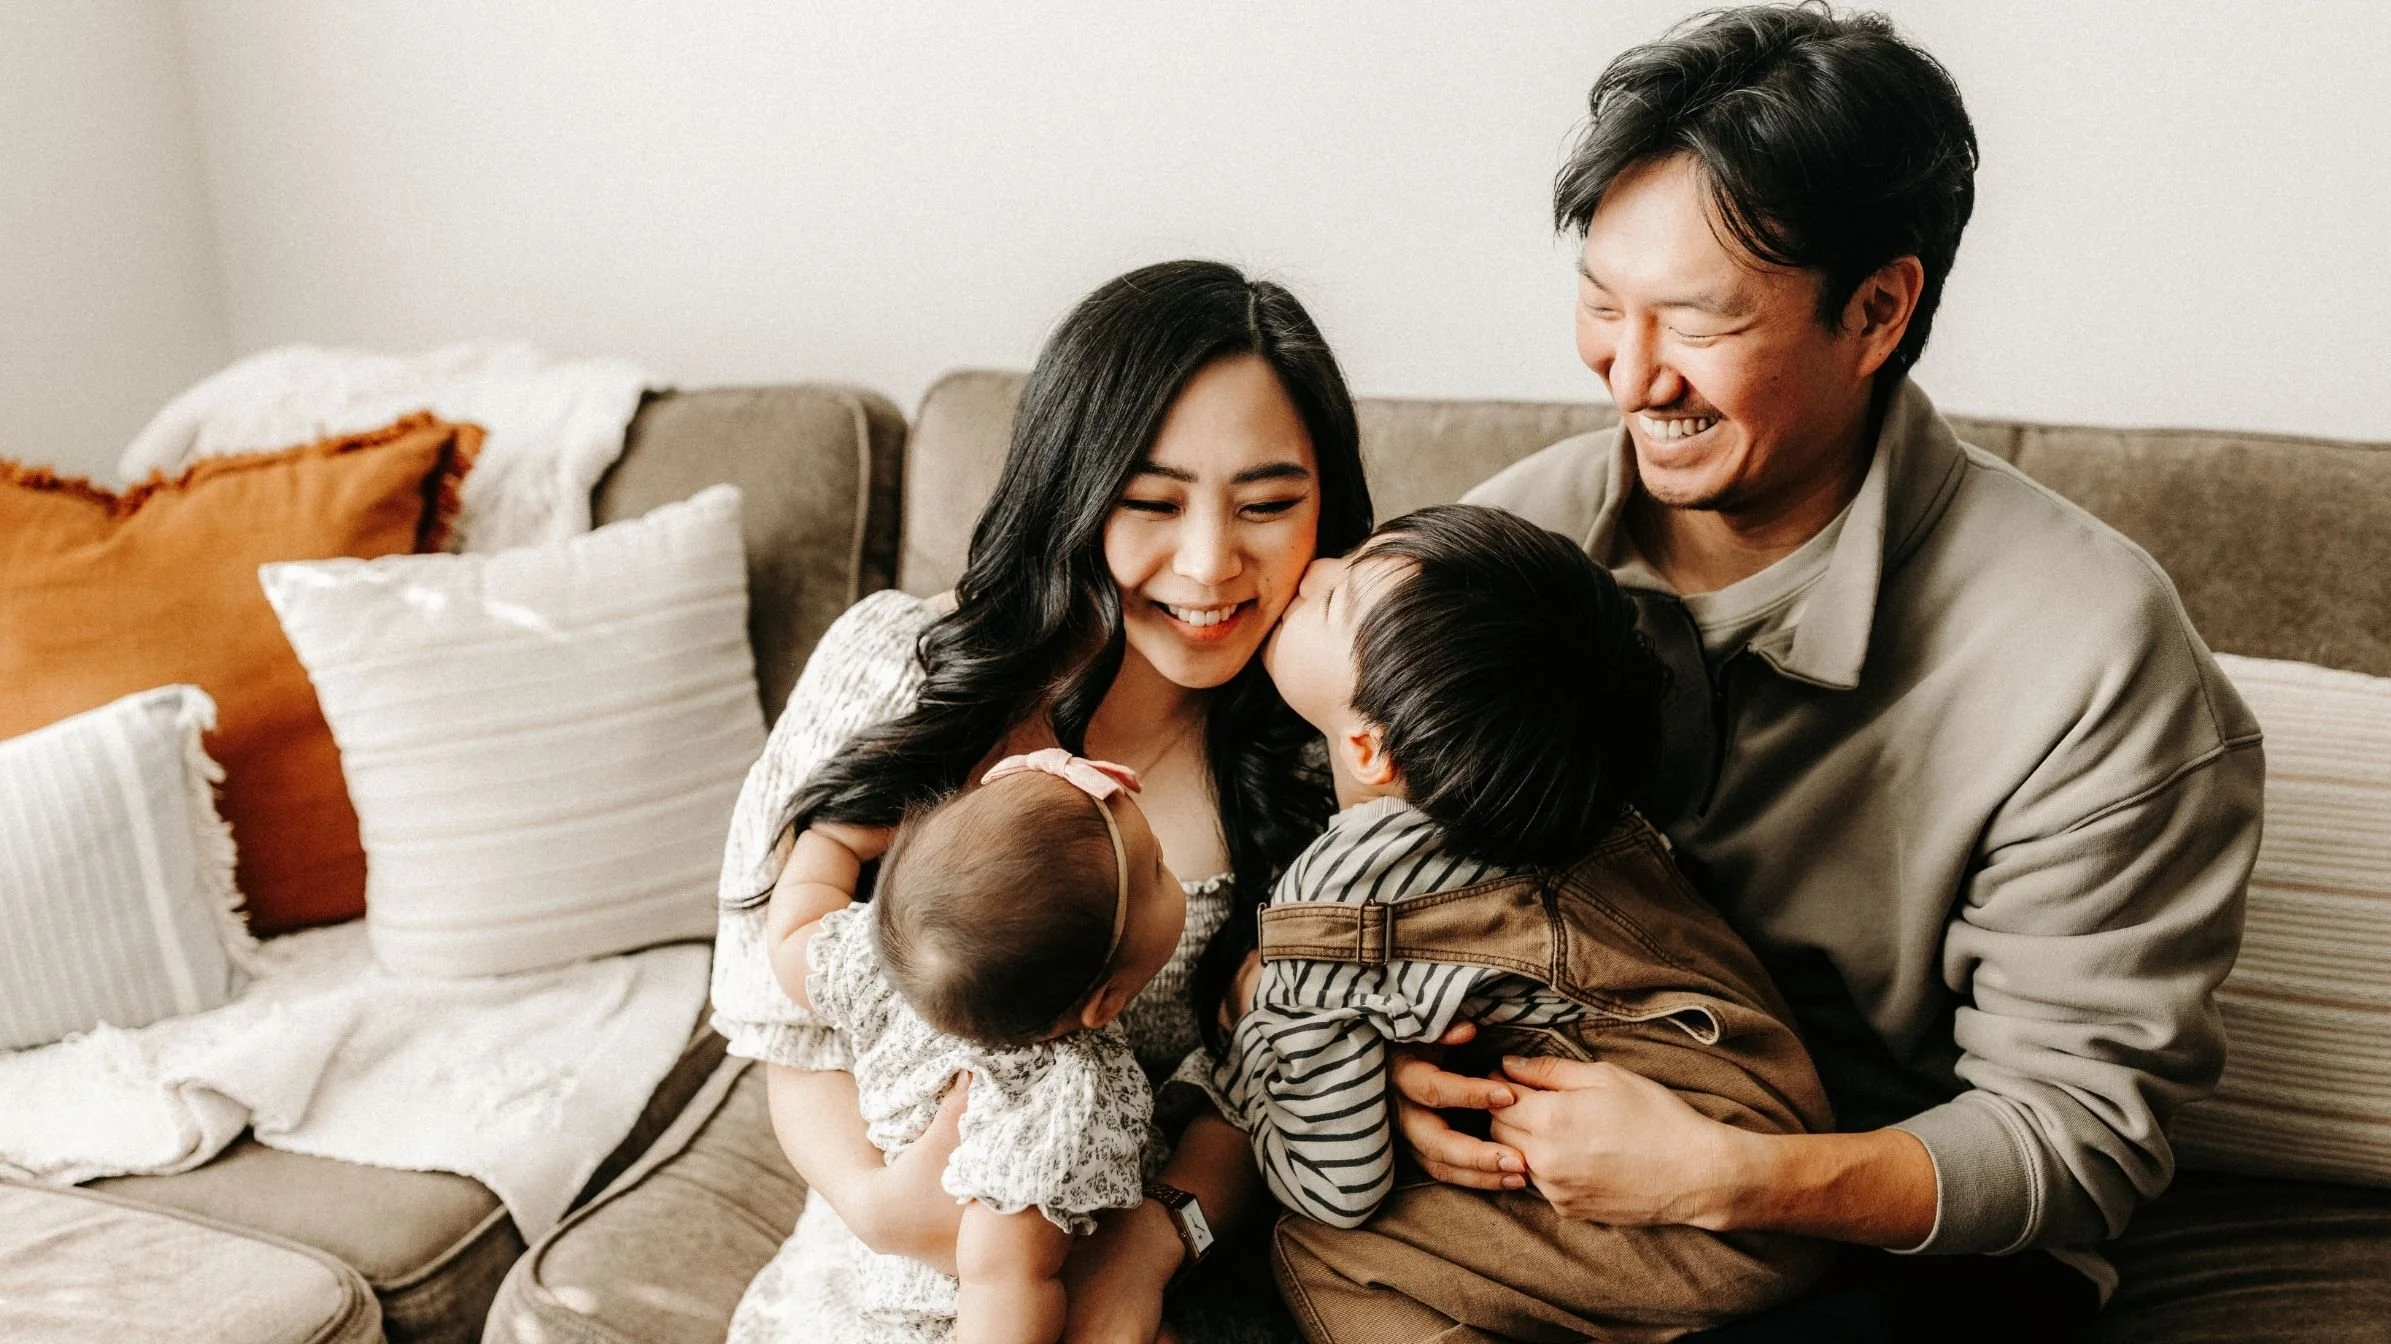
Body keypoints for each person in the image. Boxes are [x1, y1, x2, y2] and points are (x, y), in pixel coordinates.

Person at [1396, 6, 2263, 1339]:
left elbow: (2074, 1134)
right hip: (1529, 1217)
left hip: (1900, 1260)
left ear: (1874, 310)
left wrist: (1723, 1179)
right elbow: (1310, 878)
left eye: (1693, 320)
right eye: (1597, 304)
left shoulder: (2089, 651)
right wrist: (1382, 1072)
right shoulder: (1499, 552)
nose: (1630, 375)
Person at [709, 257, 1373, 1344]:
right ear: (1072, 489)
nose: (1209, 565)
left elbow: (1285, 1070)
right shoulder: (901, 669)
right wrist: (884, 1211)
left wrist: (1149, 1249)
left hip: (1148, 1264)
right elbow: (785, 1012)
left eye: (1267, 504)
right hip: (871, 1264)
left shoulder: (1329, 743)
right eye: (1152, 502)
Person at [1215, 503, 1835, 1341]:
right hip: (1791, 1165)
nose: (1309, 571)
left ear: (1370, 749)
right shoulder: (1585, 805)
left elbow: (1333, 1179)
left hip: (1700, 1220)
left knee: (1320, 1240)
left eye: (1330, 599)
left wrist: (1255, 1029)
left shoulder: (1337, 899)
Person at [764, 750, 1190, 1343]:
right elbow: (1004, 1273)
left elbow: (790, 940)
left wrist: (827, 847)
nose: (1169, 866)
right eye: (1159, 869)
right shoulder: (1056, 1100)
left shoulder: (883, 966)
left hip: (900, 1267)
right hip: (961, 1318)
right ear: (1105, 1004)